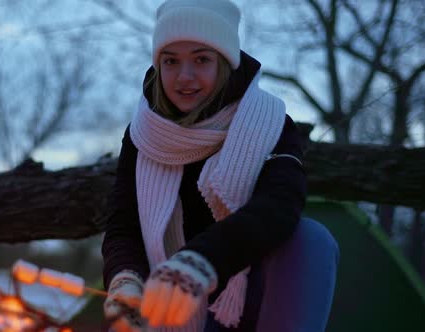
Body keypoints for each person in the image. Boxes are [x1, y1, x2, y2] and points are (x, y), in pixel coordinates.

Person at [101, 0, 340, 331]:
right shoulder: (143, 133)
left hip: (246, 300)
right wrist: (124, 278)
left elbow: (280, 205)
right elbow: (123, 226)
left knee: (311, 239)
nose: (184, 77)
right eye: (170, 61)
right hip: (166, 303)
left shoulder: (268, 122)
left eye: (201, 59)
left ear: (225, 62)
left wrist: (199, 262)